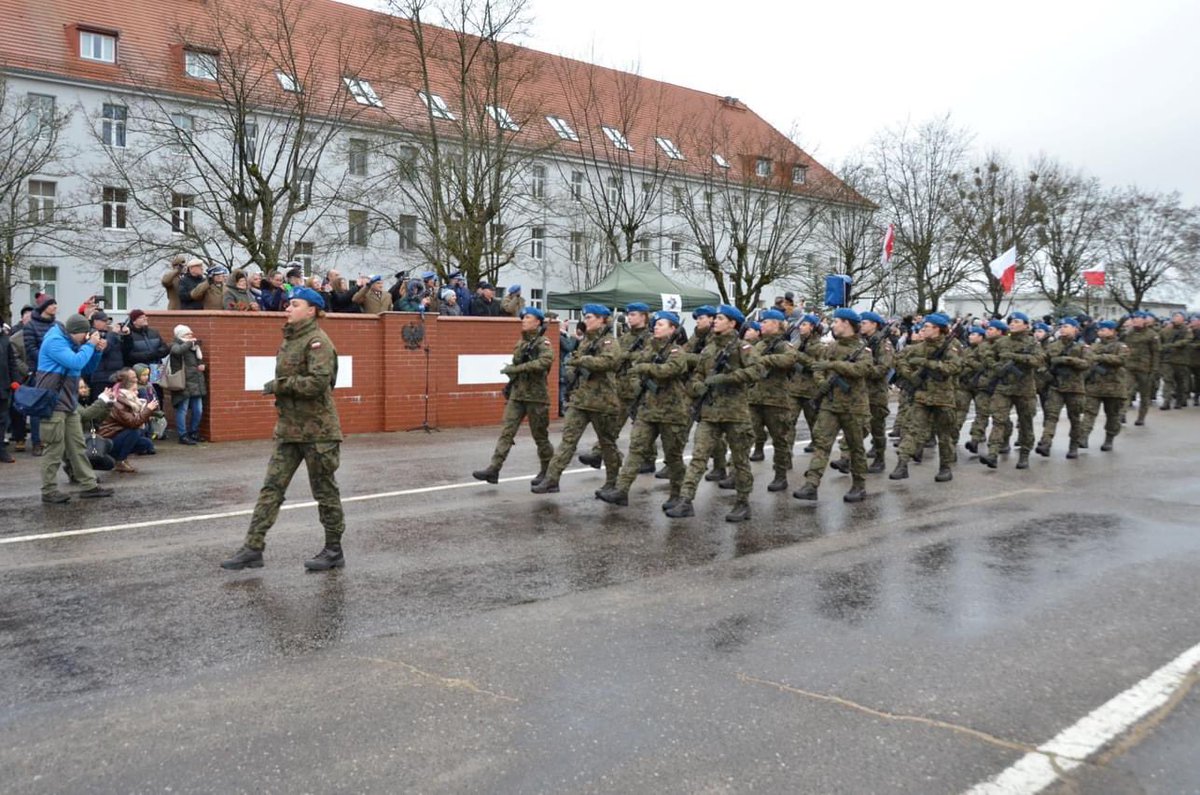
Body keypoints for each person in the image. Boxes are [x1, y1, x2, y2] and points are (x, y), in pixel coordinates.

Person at [221, 288, 346, 571]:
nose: (288, 309)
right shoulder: (290, 339)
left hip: (319, 432)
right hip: (289, 429)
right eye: (288, 304)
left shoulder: (318, 342)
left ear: (311, 310)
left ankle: (334, 549)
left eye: (295, 304)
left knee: (325, 492)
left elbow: (317, 384)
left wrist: (280, 386)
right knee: (271, 488)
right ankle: (253, 548)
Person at [666, 304, 758, 522]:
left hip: (735, 413)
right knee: (698, 457)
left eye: (720, 318)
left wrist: (727, 378)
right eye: (715, 318)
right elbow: (696, 375)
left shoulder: (743, 348)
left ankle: (743, 503)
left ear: (732, 323)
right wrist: (697, 387)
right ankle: (686, 501)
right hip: (710, 413)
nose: (715, 321)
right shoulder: (708, 349)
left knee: (740, 460)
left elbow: (757, 371)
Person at [597, 310, 691, 508]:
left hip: (671, 412)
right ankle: (621, 491)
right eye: (655, 324)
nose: (656, 327)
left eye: (662, 324)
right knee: (636, 449)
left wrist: (646, 368)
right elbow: (636, 364)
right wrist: (644, 367)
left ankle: (678, 496)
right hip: (648, 409)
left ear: (673, 329)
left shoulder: (677, 352)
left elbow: (669, 370)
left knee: (673, 457)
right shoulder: (650, 348)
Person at [531, 304, 621, 494]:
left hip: (602, 402)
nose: (586, 321)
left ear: (602, 319)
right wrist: (572, 370)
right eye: (586, 317)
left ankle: (613, 482)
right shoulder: (586, 342)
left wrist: (582, 361)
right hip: (581, 400)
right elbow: (574, 360)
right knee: (568, 440)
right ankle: (552, 479)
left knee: (607, 444)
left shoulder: (609, 342)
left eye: (589, 317)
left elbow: (609, 362)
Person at [792, 308, 874, 503]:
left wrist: (833, 366)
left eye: (836, 322)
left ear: (846, 324)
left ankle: (859, 486)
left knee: (855, 448)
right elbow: (819, 368)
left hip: (854, 407)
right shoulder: (830, 348)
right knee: (821, 443)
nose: (833, 325)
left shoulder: (863, 350)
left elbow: (860, 370)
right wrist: (822, 383)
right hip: (830, 404)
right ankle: (811, 484)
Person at [35, 314, 114, 503]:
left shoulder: (71, 342)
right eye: (86, 334)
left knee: (78, 446)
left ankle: (88, 485)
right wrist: (89, 346)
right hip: (53, 403)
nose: (87, 337)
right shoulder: (55, 341)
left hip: (68, 403)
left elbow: (86, 369)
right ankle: (48, 490)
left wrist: (96, 352)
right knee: (54, 448)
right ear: (76, 332)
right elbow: (76, 362)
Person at [472, 307, 555, 485]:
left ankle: (547, 471)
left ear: (538, 322)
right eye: (523, 317)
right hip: (518, 394)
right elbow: (517, 364)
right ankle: (494, 469)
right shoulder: (521, 343)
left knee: (540, 436)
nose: (524, 320)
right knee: (506, 432)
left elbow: (545, 362)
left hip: (536, 396)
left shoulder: (544, 342)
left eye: (528, 317)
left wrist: (517, 369)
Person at [889, 313, 962, 483]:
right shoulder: (919, 347)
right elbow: (898, 358)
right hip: (922, 396)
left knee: (944, 435)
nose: (923, 330)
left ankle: (945, 467)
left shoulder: (951, 347)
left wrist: (928, 363)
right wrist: (909, 375)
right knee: (912, 431)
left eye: (927, 327)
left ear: (937, 329)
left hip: (943, 398)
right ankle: (902, 464)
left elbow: (954, 366)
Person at [981, 312, 1044, 470]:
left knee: (1025, 423)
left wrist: (1016, 357)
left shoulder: (1032, 343)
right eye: (1010, 321)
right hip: (1004, 388)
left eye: (1016, 321)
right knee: (998, 420)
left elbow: (1038, 360)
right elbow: (987, 355)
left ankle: (1024, 454)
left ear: (1025, 325)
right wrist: (996, 367)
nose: (1012, 324)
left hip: (1025, 389)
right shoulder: (1002, 342)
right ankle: (993, 453)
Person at [746, 309, 797, 493]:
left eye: (765, 322)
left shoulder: (784, 345)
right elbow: (750, 360)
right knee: (746, 435)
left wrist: (767, 359)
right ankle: (738, 475)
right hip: (755, 398)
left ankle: (780, 475)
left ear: (776, 324)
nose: (762, 324)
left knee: (780, 440)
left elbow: (789, 360)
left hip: (776, 401)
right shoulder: (759, 345)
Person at [1037, 318, 1091, 459]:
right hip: (1056, 387)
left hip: (1075, 388)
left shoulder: (1081, 348)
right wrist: (1048, 375)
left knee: (1074, 418)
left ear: (1075, 329)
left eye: (1066, 326)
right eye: (1061, 326)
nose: (1062, 329)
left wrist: (1068, 360)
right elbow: (1042, 363)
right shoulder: (1053, 346)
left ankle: (1073, 446)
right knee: (1051, 416)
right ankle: (1045, 443)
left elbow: (1087, 364)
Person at [1079, 320, 1129, 452]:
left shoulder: (1121, 346)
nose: (1100, 332)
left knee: (1112, 415)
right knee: (1089, 412)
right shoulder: (1094, 346)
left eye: (1104, 329)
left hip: (1114, 387)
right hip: (1095, 385)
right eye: (1099, 330)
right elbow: (1087, 360)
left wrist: (1100, 357)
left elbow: (1121, 360)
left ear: (1112, 331)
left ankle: (1109, 439)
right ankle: (1083, 437)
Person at [97, 368, 159, 473]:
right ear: (127, 387)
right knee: (134, 432)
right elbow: (134, 423)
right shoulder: (118, 401)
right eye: (134, 390)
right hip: (108, 439)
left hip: (118, 434)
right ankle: (119, 461)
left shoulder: (128, 400)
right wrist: (148, 409)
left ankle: (121, 457)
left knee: (146, 444)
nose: (137, 392)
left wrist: (148, 409)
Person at [169, 325, 207, 444]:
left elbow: (198, 360)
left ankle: (193, 431)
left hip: (196, 382)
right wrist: (190, 344)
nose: (191, 336)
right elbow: (177, 351)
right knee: (183, 409)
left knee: (198, 410)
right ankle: (183, 435)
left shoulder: (194, 347)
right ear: (180, 335)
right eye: (187, 334)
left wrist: (202, 365)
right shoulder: (175, 345)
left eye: (191, 333)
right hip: (183, 382)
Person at [1123, 311, 1160, 424]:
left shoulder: (1152, 334)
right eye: (1134, 318)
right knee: (1126, 391)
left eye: (1138, 318)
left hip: (1145, 368)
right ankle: (1122, 413)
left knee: (1144, 394)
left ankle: (1141, 417)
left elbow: (1156, 353)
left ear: (1144, 320)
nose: (1135, 320)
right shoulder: (1129, 333)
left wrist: (1154, 369)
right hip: (1130, 367)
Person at [0, 322, 28, 463]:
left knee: (2, 420)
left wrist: (15, 380)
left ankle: (1, 451)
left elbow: (11, 362)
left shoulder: (5, 340)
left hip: (3, 386)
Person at [86, 311, 125, 394]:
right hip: (101, 377)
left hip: (114, 375)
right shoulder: (92, 333)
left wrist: (126, 335)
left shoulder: (108, 333)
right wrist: (113, 334)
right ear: (95, 321)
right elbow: (104, 348)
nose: (106, 323)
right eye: (103, 321)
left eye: (107, 321)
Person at [1159, 311, 1191, 409]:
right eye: (1175, 316)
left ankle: (1179, 400)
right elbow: (1160, 339)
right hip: (1168, 359)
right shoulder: (1167, 329)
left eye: (1178, 316)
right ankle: (1166, 401)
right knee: (1167, 380)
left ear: (1183, 319)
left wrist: (1174, 345)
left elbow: (1187, 340)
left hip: (1180, 360)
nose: (1176, 318)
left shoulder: (1186, 330)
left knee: (1180, 381)